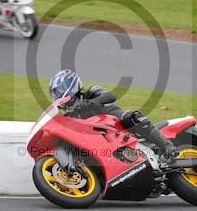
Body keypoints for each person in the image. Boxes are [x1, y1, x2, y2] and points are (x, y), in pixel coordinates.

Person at [48, 70, 179, 164]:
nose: (58, 95)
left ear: (71, 85)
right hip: (102, 139)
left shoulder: (91, 92)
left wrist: (90, 103)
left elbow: (110, 96)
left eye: (59, 91)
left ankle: (168, 147)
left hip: (117, 122)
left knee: (133, 117)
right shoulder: (69, 115)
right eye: (56, 93)